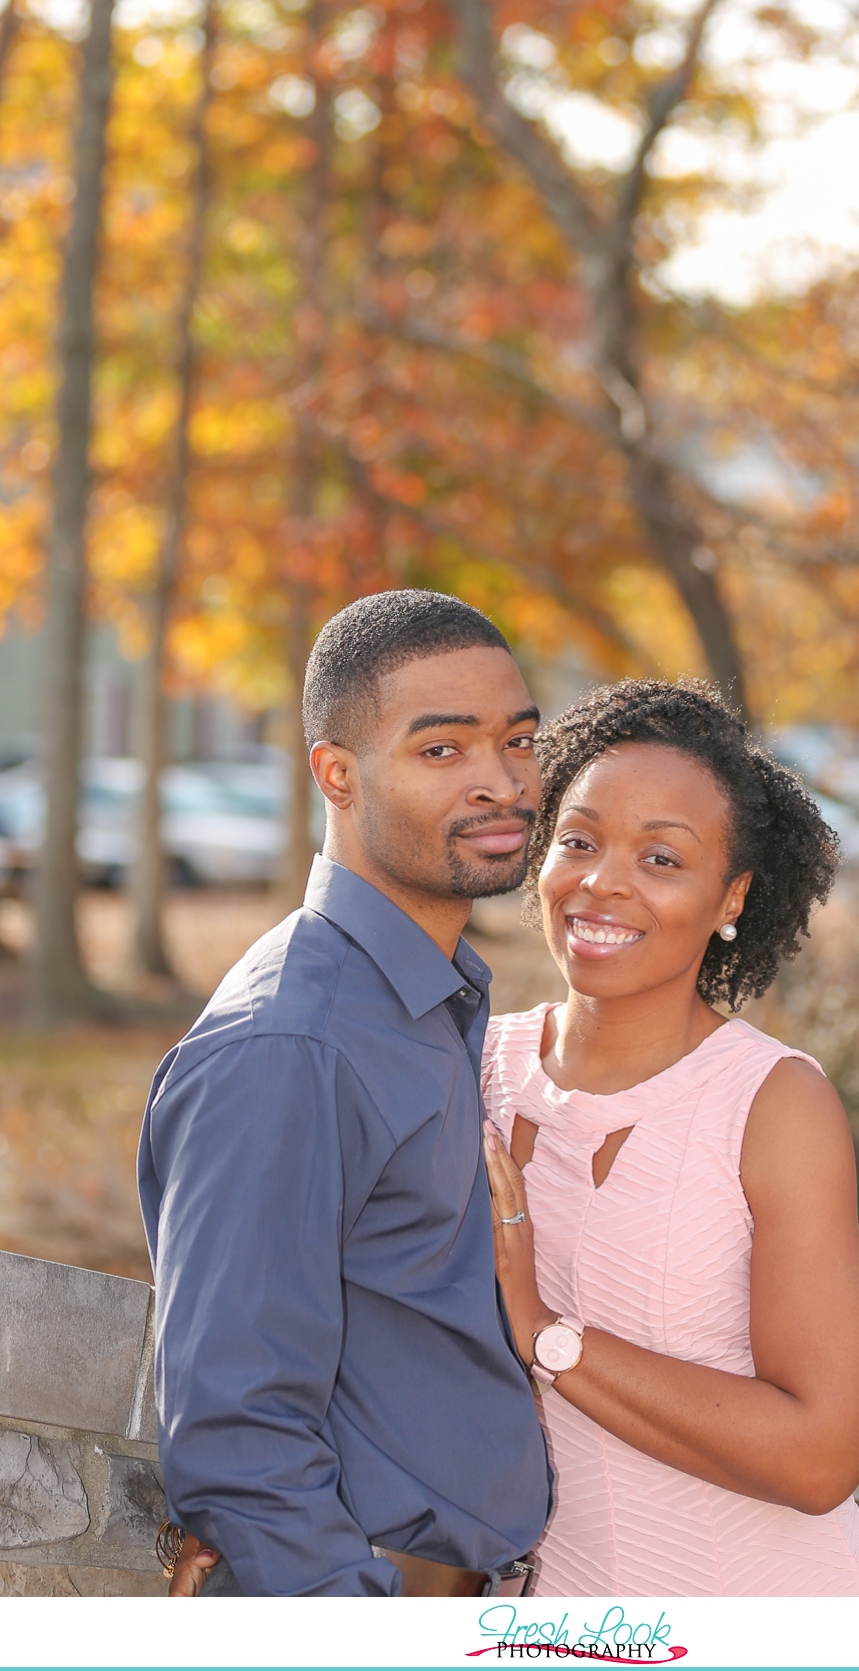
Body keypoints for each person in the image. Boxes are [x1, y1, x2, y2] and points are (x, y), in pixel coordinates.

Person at [138, 590, 551, 1597]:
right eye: (442, 750)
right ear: (337, 774)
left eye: (517, 742)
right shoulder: (292, 1042)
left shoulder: (427, 1002)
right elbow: (237, 1428)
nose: (500, 782)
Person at [480, 678, 859, 1597]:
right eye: (578, 840)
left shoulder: (773, 1105)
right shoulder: (471, 1064)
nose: (603, 881)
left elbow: (822, 1455)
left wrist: (544, 1333)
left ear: (730, 894)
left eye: (662, 858)